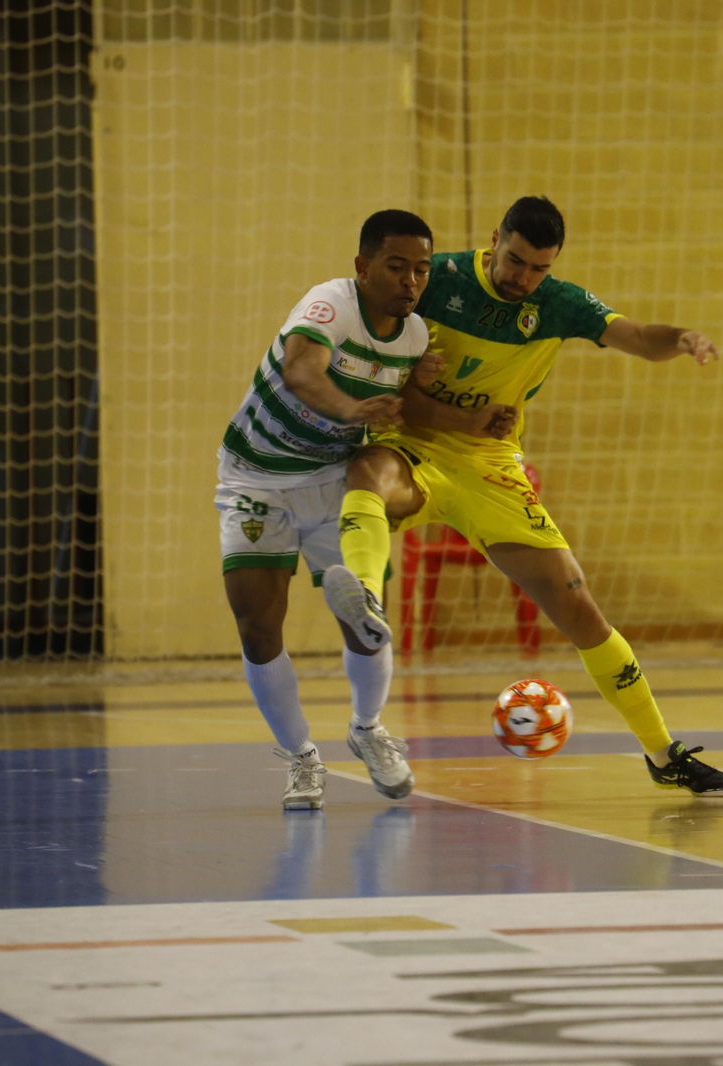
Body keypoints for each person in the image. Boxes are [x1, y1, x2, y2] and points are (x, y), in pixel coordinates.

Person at [321, 196, 723, 797]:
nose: (523, 278)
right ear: (495, 239)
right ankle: (363, 596)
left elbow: (640, 337)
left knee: (578, 606)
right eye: (514, 261)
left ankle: (662, 753)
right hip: (411, 443)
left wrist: (683, 338)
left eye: (538, 268)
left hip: (489, 465)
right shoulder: (436, 279)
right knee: (369, 472)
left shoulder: (558, 304)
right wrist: (412, 374)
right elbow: (373, 348)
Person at [218, 209, 440, 811]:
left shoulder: (416, 337)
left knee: (362, 615)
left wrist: (466, 414)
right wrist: (349, 409)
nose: (410, 281)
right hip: (256, 476)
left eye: (421, 270)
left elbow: (416, 409)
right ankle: (301, 759)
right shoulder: (329, 304)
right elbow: (299, 372)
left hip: (332, 480)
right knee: (258, 626)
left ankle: (368, 728)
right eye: (397, 266)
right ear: (363, 267)